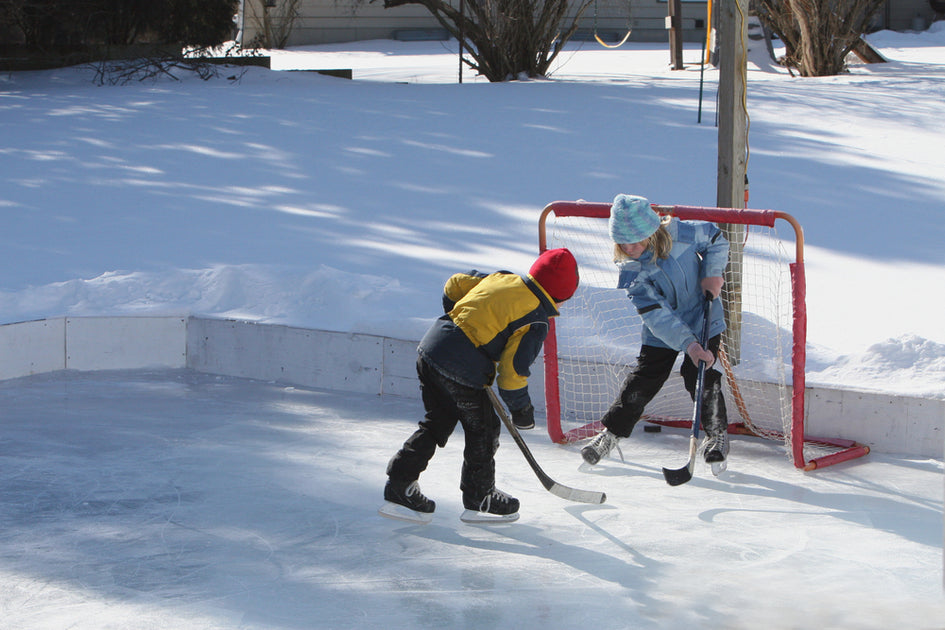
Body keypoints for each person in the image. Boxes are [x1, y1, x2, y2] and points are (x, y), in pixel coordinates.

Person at [381, 248, 580, 524]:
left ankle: (399, 484)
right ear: (565, 294)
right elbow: (512, 373)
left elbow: (455, 283)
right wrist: (521, 411)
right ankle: (480, 498)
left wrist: (459, 320)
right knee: (484, 430)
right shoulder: (536, 319)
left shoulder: (504, 278)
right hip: (461, 368)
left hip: (431, 348)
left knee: (437, 422)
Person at [581, 194, 731, 471]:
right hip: (662, 330)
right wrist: (689, 344)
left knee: (699, 374)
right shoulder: (632, 270)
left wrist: (712, 273)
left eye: (637, 240)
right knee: (645, 378)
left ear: (653, 231)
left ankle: (716, 434)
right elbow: (656, 315)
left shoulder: (681, 233)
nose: (631, 247)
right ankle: (611, 434)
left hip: (703, 317)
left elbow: (716, 238)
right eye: (623, 242)